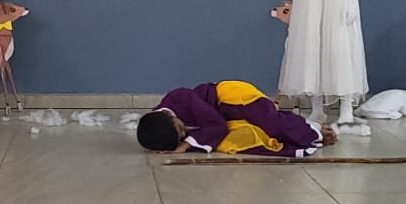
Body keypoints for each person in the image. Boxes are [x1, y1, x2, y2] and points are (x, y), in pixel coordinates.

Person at [135, 80, 336, 156]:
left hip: (232, 98)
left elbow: (218, 126)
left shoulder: (180, 97)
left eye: (180, 129)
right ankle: (303, 126)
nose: (184, 133)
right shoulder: (157, 123)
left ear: (170, 117)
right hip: (220, 116)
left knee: (272, 125)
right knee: (246, 138)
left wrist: (186, 144)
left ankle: (314, 130)